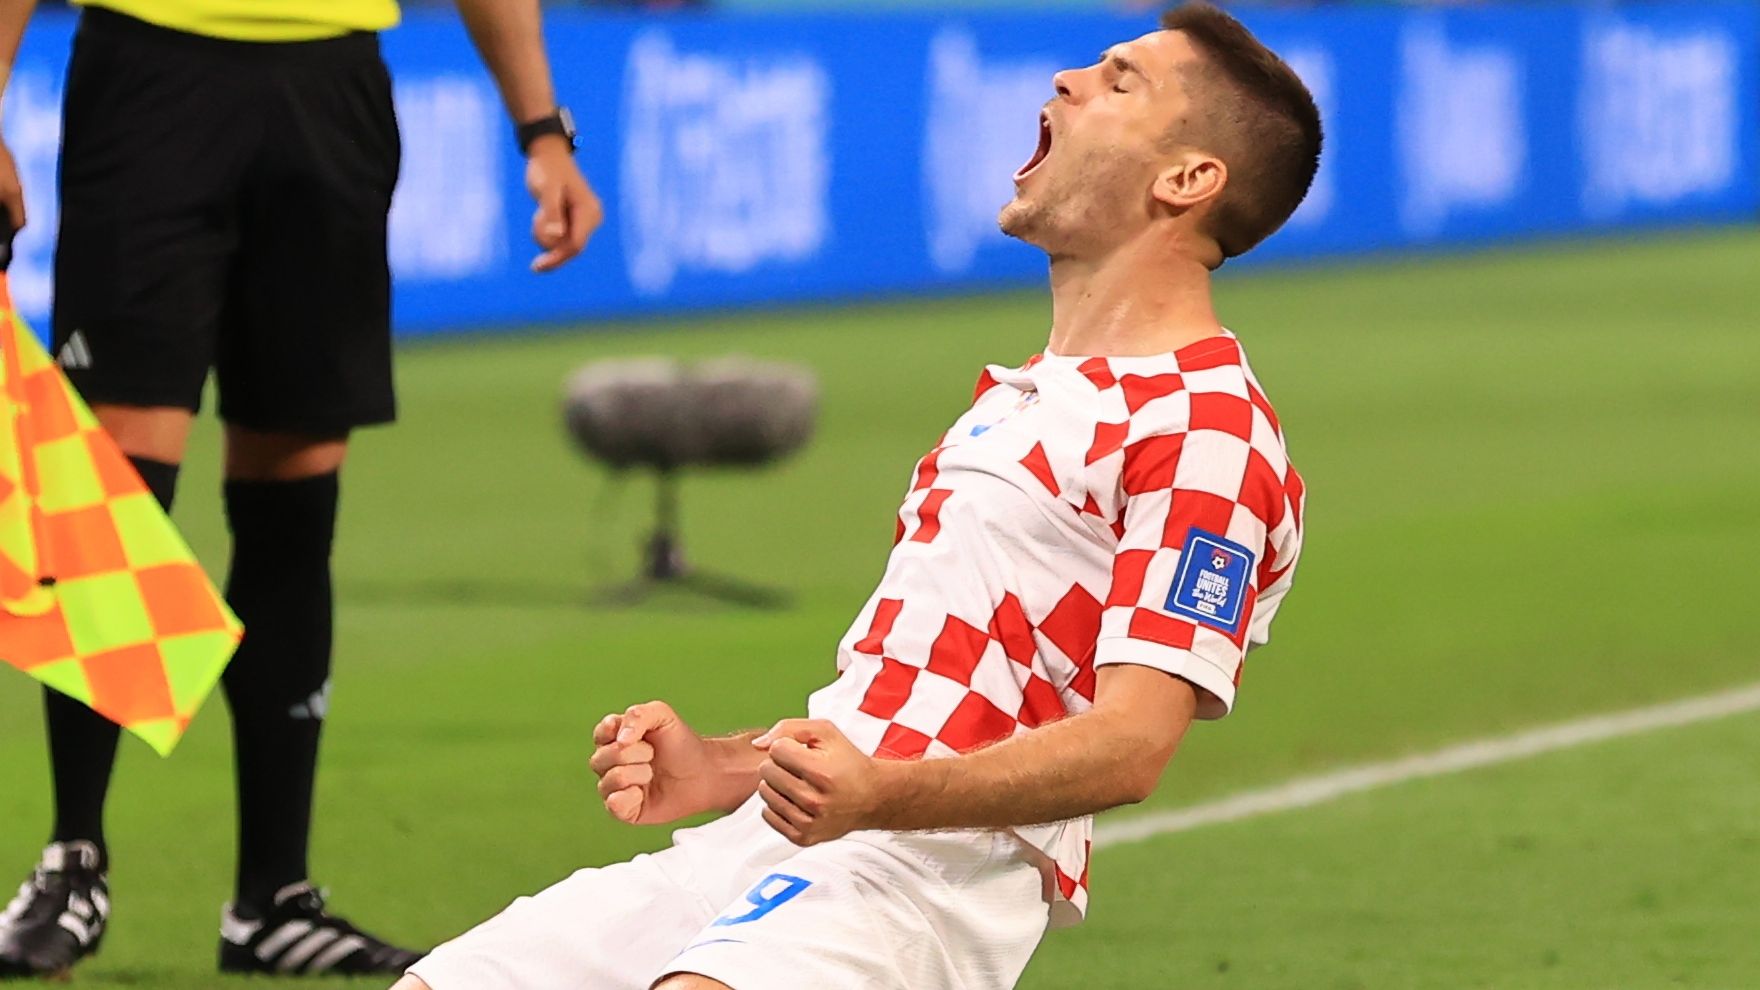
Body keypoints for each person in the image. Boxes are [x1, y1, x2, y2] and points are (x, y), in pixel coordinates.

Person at [398, 3, 1316, 988]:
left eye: (1118, 80)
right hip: (767, 845)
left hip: (925, 878)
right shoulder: (1019, 402)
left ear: (1187, 179)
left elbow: (1132, 745)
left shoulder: (1206, 430)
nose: (1067, 81)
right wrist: (726, 767)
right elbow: (909, 706)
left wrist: (877, 795)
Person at [0, 0, 601, 977]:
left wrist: (542, 131)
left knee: (294, 504)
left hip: (333, 89)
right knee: (113, 494)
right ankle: (73, 861)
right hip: (151, 76)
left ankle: (273, 899)